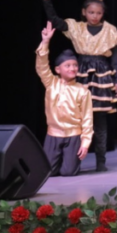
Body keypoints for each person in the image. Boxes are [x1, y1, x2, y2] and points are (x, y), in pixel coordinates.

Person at [39, 0, 117, 172]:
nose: (95, 16)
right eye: (91, 12)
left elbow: (115, 59)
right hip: (81, 71)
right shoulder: (76, 27)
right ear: (84, 12)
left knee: (99, 121)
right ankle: (68, 155)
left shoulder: (110, 31)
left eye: (99, 13)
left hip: (102, 75)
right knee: (76, 114)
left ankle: (101, 160)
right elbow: (56, 21)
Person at [35, 21, 93, 177]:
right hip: (53, 134)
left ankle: (68, 160)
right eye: (68, 65)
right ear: (58, 69)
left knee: (68, 172)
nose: (72, 68)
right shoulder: (51, 83)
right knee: (48, 173)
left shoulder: (82, 91)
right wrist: (45, 41)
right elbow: (41, 66)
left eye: (75, 65)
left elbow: (87, 119)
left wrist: (85, 143)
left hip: (73, 135)